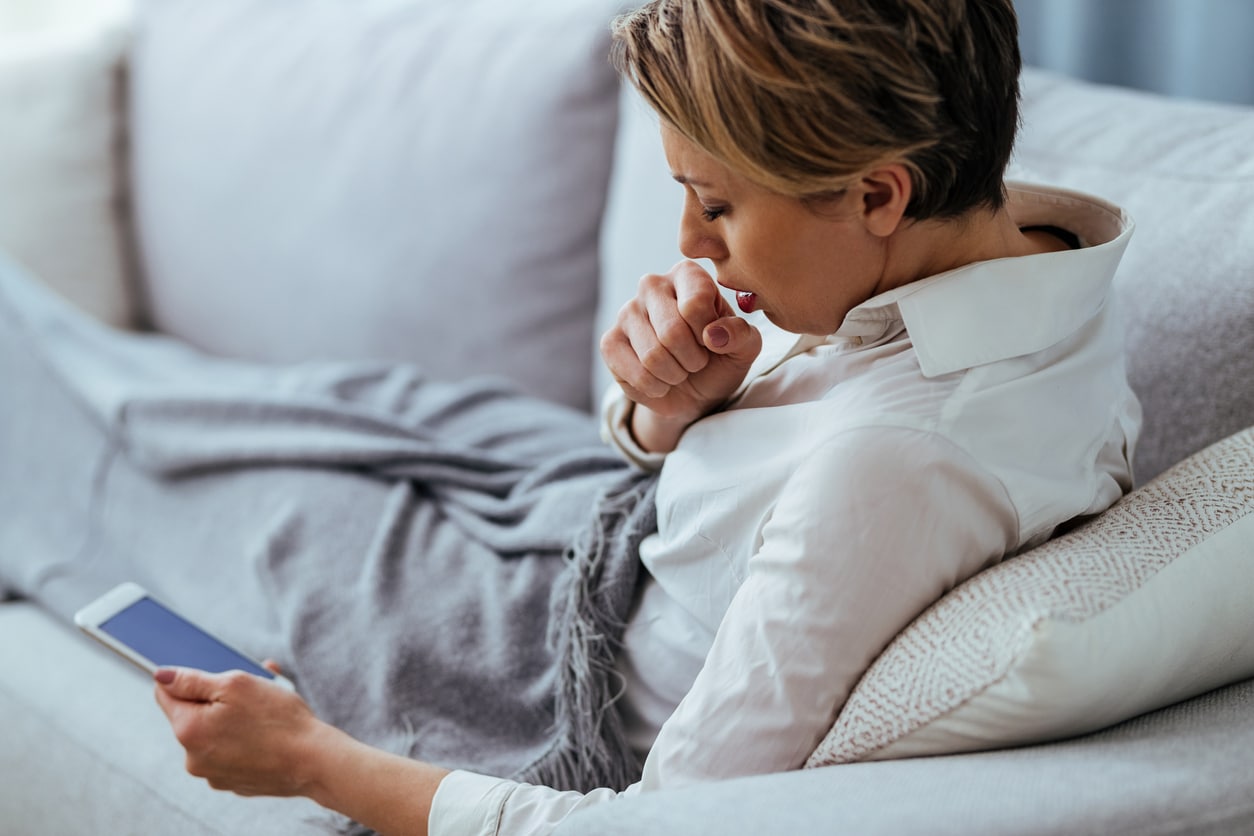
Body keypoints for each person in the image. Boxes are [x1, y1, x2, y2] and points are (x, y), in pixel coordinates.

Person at [0, 0, 1141, 834]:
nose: (691, 244)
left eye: (715, 204)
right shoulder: (1037, 262)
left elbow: (666, 817)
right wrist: (674, 411)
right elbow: (742, 492)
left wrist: (312, 761)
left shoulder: (898, 460)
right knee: (274, 395)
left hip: (536, 642)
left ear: (878, 193)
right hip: (568, 502)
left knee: (128, 448)